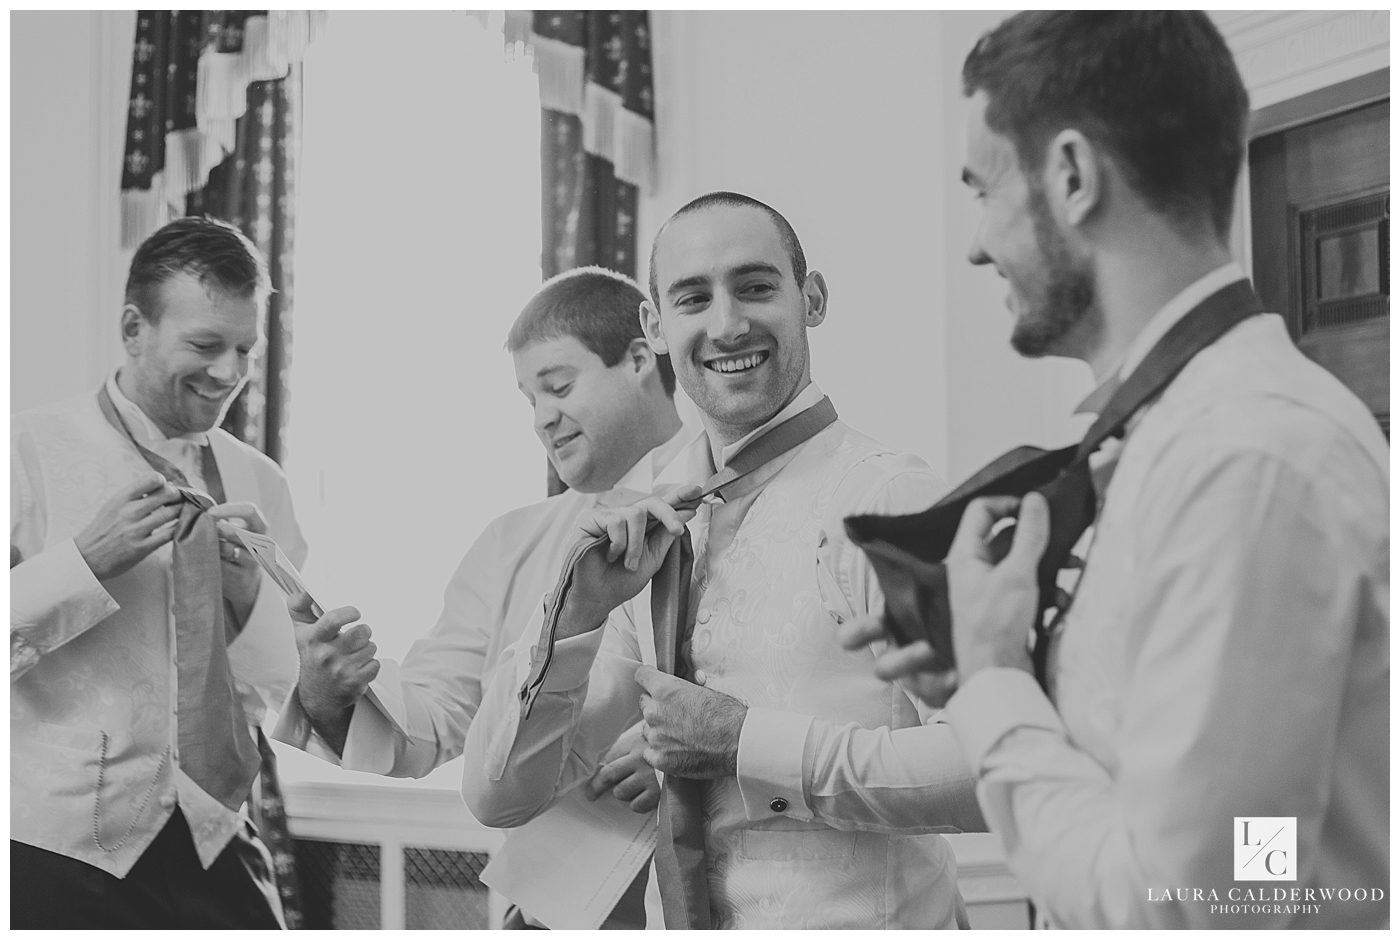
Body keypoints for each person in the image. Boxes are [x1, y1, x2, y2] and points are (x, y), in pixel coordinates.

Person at [842, 11, 1389, 929]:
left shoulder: (1245, 461)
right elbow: (1203, 795)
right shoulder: (1182, 435)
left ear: (1071, 176)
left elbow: (1202, 903)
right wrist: (1006, 679)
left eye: (983, 190)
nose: (976, 244)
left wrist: (994, 684)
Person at [462, 192, 985, 929]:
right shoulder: (650, 524)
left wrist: (747, 744)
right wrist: (572, 616)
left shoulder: (889, 502)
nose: (728, 323)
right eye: (693, 298)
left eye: (756, 287)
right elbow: (499, 795)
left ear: (812, 299)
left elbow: (999, 770)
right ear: (656, 327)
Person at [271, 266, 688, 928]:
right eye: (529, 399)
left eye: (559, 386)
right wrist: (332, 697)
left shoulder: (746, 505)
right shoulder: (509, 544)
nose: (543, 419)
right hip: (557, 914)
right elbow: (436, 716)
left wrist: (691, 751)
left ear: (640, 358)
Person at [11, 216, 306, 928]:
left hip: (216, 831)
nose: (229, 373)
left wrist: (249, 600)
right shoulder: (22, 451)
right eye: (205, 345)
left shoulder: (258, 480)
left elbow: (281, 680)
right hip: (54, 843)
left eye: (244, 349)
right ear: (133, 328)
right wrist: (84, 563)